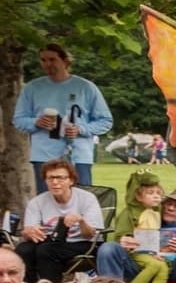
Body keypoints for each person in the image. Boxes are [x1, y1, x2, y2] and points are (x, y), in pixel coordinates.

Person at [12, 43, 113, 190]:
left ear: (65, 61)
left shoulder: (86, 87)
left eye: (52, 59)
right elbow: (19, 120)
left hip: (79, 156)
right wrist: (36, 122)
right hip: (44, 156)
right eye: (43, 60)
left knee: (80, 201)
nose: (47, 64)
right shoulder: (32, 88)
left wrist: (81, 129)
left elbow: (105, 121)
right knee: (46, 201)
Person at [17, 158, 103, 283]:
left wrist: (81, 221)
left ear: (71, 180)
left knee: (46, 250)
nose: (55, 182)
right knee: (23, 249)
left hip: (82, 243)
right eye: (50, 178)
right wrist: (29, 232)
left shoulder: (87, 199)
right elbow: (29, 231)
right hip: (49, 240)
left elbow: (90, 235)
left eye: (60, 178)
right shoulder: (37, 202)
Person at [119, 172, 172, 283]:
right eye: (150, 193)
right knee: (155, 265)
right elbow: (122, 234)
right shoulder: (130, 213)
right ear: (138, 196)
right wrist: (126, 239)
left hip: (152, 251)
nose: (156, 196)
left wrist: (158, 251)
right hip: (136, 251)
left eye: (158, 193)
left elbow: (158, 235)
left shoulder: (156, 212)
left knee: (162, 268)